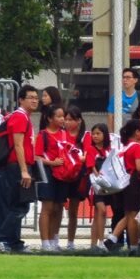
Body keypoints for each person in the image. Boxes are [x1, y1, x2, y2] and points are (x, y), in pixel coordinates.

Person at [0, 84, 39, 253]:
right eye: (30, 97)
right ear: (21, 100)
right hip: (17, 167)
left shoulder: (23, 116)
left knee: (15, 205)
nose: (34, 100)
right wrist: (24, 171)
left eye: (36, 97)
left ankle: (14, 243)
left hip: (17, 166)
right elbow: (18, 145)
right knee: (21, 206)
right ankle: (1, 240)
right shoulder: (20, 117)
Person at [104, 118, 140, 253]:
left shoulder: (124, 147)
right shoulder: (137, 147)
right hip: (134, 182)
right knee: (133, 215)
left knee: (129, 214)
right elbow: (139, 167)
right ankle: (133, 246)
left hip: (124, 183)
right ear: (136, 133)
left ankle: (113, 238)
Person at [35, 104, 71, 251]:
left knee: (58, 207)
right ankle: (45, 242)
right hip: (48, 173)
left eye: (63, 116)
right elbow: (36, 157)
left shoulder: (65, 134)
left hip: (63, 174)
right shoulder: (43, 135)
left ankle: (54, 240)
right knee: (47, 207)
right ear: (50, 118)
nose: (63, 119)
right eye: (59, 116)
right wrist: (52, 162)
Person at [63, 105, 89, 251]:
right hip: (63, 174)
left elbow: (87, 155)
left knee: (73, 210)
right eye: (65, 119)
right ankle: (52, 240)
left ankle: (70, 242)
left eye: (70, 120)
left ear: (78, 121)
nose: (67, 122)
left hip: (78, 175)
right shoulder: (62, 134)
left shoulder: (85, 136)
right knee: (56, 208)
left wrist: (77, 158)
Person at [87, 123, 112, 251]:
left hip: (108, 186)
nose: (95, 136)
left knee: (99, 214)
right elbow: (91, 167)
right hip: (96, 186)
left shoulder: (109, 149)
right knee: (101, 210)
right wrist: (100, 178)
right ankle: (99, 242)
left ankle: (95, 244)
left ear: (105, 135)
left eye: (98, 133)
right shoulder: (91, 149)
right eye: (93, 133)